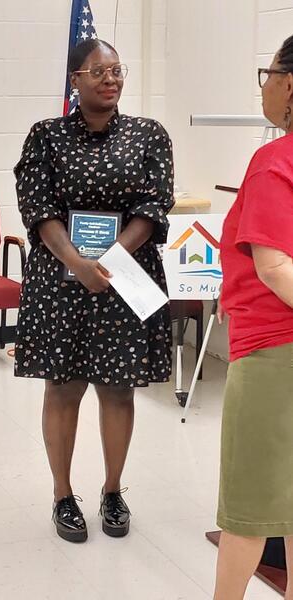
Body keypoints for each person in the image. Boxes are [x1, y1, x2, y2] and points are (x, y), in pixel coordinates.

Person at [14, 39, 174, 543]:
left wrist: (108, 260)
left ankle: (111, 491)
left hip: (124, 278)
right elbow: (38, 208)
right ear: (75, 80)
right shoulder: (46, 137)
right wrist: (78, 263)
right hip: (61, 281)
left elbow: (154, 204)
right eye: (99, 71)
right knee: (62, 387)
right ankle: (63, 494)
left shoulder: (149, 135)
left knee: (117, 387)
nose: (111, 79)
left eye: (118, 70)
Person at [214, 34, 293, 599]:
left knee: (249, 502)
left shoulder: (274, 162)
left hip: (273, 352)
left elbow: (274, 269)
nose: (264, 85)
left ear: (289, 84)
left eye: (266, 73)